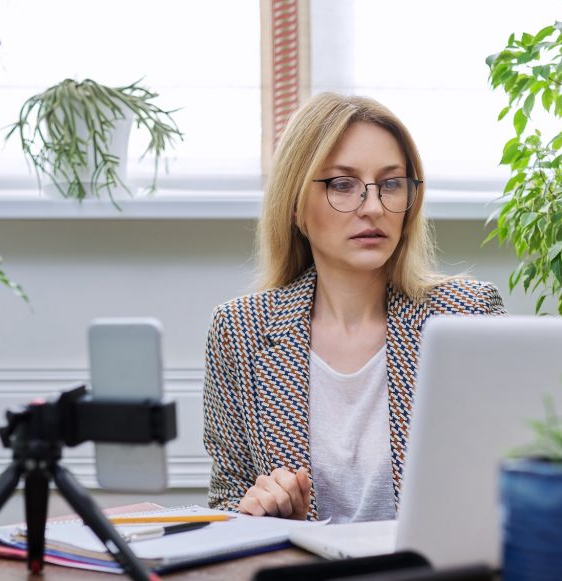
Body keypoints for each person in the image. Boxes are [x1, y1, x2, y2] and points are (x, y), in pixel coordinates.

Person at [203, 92, 505, 522]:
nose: (374, 207)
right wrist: (260, 510)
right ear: (294, 205)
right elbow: (227, 498)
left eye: (391, 184)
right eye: (342, 185)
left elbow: (507, 482)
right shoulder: (239, 331)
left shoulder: (467, 315)